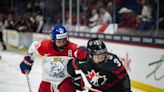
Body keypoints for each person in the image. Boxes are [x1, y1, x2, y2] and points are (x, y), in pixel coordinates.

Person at [20, 24, 77, 92]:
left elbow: (80, 52)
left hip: (65, 81)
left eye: (64, 40)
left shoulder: (72, 48)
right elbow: (33, 47)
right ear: (53, 39)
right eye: (59, 41)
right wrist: (28, 60)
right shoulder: (45, 46)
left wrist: (83, 51)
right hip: (47, 81)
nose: (62, 43)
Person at [67, 38, 132, 92]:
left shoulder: (112, 61)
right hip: (96, 89)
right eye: (97, 56)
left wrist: (126, 90)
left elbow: (124, 77)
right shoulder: (83, 61)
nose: (101, 58)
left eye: (103, 55)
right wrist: (76, 77)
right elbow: (70, 65)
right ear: (90, 55)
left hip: (115, 89)